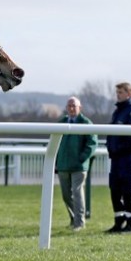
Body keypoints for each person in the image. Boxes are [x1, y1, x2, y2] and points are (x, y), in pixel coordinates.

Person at [55, 96, 97, 231]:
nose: (72, 108)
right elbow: (54, 144)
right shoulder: (60, 123)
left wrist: (82, 158)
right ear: (66, 108)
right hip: (63, 165)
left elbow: (92, 143)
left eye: (74, 106)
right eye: (69, 106)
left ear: (80, 108)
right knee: (66, 195)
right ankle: (74, 219)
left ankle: (80, 223)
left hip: (79, 166)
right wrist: (56, 161)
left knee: (77, 193)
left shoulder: (86, 123)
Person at [105, 82, 131, 234]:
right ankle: (119, 222)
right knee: (115, 190)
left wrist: (118, 148)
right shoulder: (118, 111)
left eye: (121, 92)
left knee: (129, 189)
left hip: (128, 158)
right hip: (116, 158)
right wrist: (110, 147)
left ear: (129, 94)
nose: (117, 95)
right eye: (117, 92)